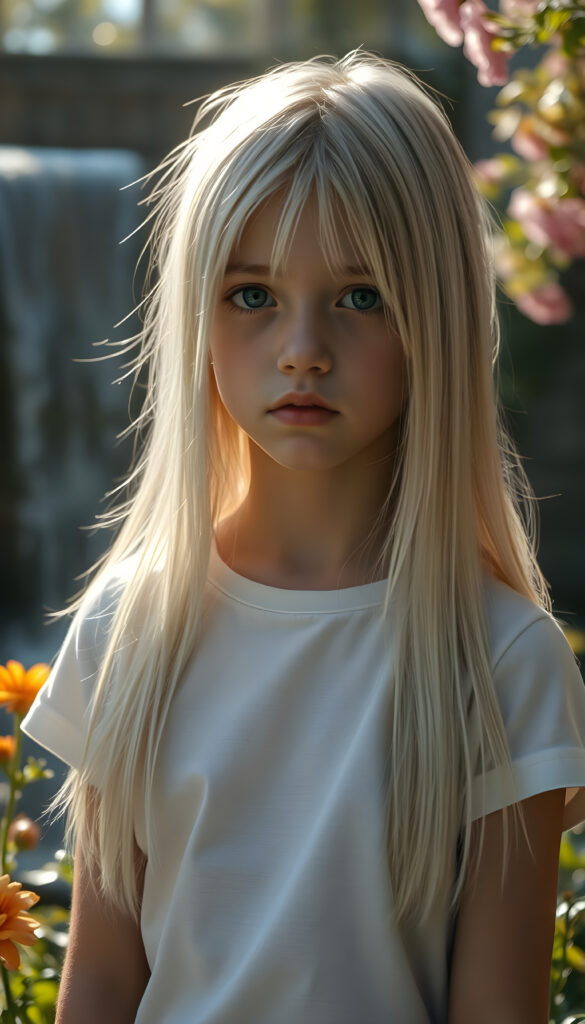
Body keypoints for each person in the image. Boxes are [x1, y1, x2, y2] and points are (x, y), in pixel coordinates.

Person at [21, 50, 585, 1024]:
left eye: (361, 296)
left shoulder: (502, 662)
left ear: (435, 319)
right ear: (195, 312)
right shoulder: (130, 626)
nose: (302, 348)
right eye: (252, 295)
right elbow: (103, 984)